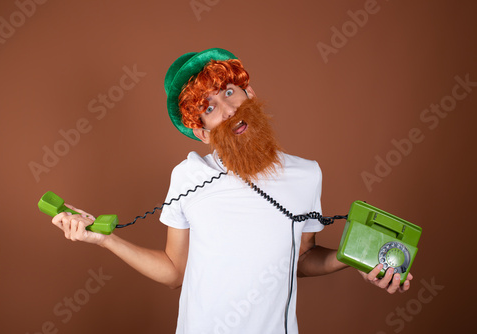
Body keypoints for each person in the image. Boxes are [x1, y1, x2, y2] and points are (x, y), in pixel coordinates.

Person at [52, 48, 412, 334]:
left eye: (229, 92)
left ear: (249, 93)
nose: (227, 110)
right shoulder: (189, 176)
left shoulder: (306, 175)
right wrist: (106, 240)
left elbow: (301, 259)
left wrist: (355, 258)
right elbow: (175, 271)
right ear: (202, 131)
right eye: (209, 108)